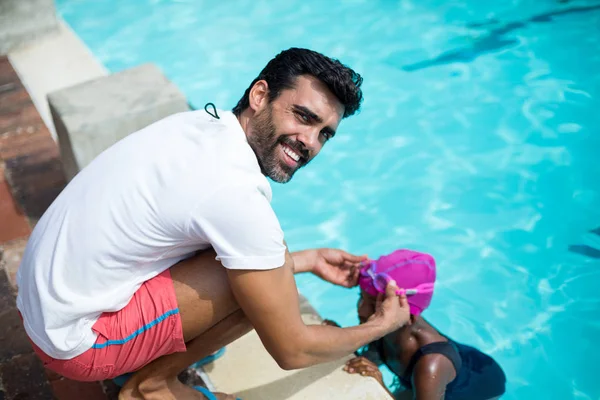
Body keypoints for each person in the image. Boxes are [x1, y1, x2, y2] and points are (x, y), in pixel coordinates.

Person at [16, 48, 411, 400]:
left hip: (45, 302)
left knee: (262, 260)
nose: (309, 141)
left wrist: (306, 260)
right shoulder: (235, 193)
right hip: (75, 343)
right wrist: (380, 325)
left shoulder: (204, 126)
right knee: (262, 289)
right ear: (260, 95)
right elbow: (292, 349)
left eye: (324, 132)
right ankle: (150, 386)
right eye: (302, 116)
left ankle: (152, 355)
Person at [325, 249, 506, 400]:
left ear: (409, 315)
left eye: (373, 305)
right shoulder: (385, 326)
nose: (362, 311)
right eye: (361, 298)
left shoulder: (430, 365)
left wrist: (380, 386)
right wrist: (340, 340)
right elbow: (368, 359)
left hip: (481, 386)